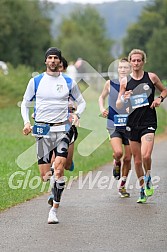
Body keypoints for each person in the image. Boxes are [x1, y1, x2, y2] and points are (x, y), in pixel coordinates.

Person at [21, 47, 86, 223]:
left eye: (55, 58)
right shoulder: (36, 81)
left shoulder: (68, 81)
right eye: (49, 57)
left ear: (59, 61)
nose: (52, 60)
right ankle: (52, 182)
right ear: (45, 61)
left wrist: (76, 115)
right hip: (42, 130)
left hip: (63, 129)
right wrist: (27, 122)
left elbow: (82, 102)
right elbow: (25, 103)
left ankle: (54, 210)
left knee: (59, 168)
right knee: (45, 176)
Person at [116, 49, 167, 203]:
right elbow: (119, 104)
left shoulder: (150, 77)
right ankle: (142, 189)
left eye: (139, 60)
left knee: (146, 156)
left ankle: (149, 176)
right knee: (137, 161)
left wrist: (159, 99)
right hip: (132, 124)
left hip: (148, 122)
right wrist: (125, 98)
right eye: (134, 60)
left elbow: (164, 90)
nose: (136, 63)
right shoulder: (125, 81)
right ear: (130, 62)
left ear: (143, 61)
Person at [47, 56, 79, 206]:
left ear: (64, 69)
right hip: (52, 128)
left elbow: (78, 104)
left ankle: (69, 163)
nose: (57, 69)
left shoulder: (68, 84)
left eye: (60, 67)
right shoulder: (47, 85)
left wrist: (72, 110)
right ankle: (53, 192)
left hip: (67, 128)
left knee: (65, 164)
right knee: (55, 162)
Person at [99, 58, 132, 197]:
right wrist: (102, 109)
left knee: (128, 158)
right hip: (113, 123)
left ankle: (122, 186)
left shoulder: (134, 84)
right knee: (118, 153)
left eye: (126, 67)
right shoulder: (110, 83)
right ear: (117, 69)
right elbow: (101, 97)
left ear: (130, 69)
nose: (123, 70)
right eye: (121, 67)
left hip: (130, 125)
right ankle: (116, 162)